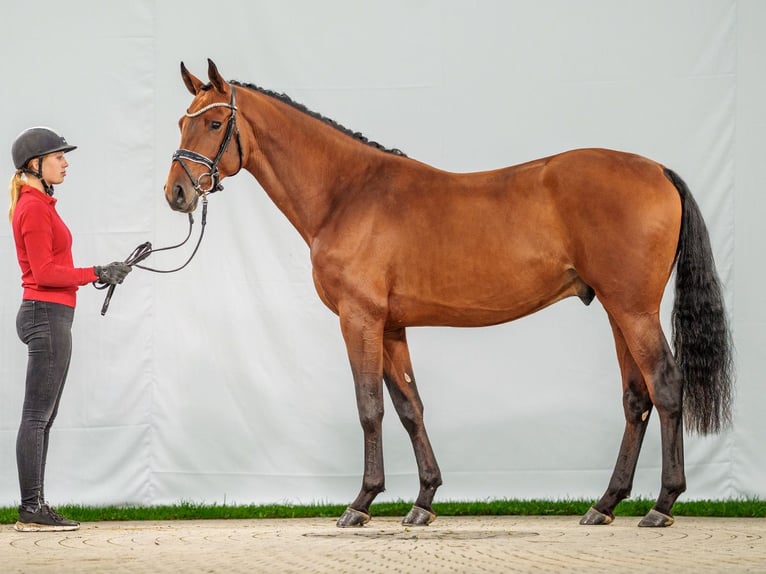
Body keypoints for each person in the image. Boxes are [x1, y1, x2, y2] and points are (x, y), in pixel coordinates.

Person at [8, 127, 132, 532]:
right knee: (37, 417)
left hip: (52, 314)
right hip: (46, 314)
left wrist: (98, 273)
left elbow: (51, 268)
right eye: (58, 156)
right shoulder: (33, 207)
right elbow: (44, 272)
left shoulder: (41, 204)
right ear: (35, 164)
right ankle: (31, 508)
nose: (65, 162)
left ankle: (36, 504)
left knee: (44, 416)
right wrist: (96, 271)